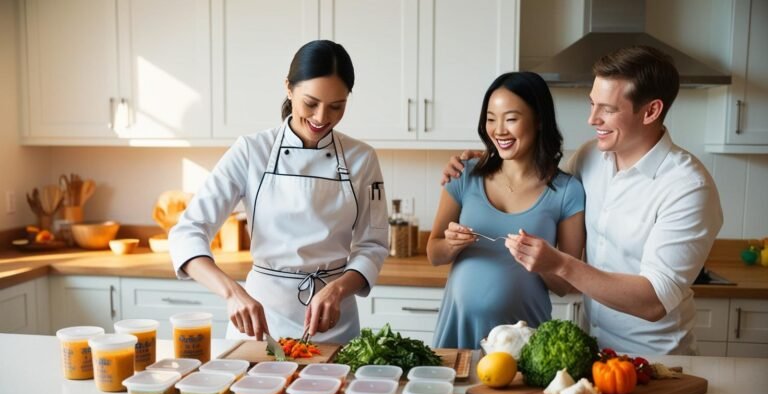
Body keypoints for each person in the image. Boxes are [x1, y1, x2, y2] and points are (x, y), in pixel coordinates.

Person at [441, 46, 723, 355]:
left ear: (651, 111)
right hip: (594, 348)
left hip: (657, 358)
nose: (592, 119)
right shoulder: (592, 157)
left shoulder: (688, 187)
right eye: (592, 104)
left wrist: (560, 264)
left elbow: (654, 301)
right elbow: (535, 176)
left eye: (608, 109)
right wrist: (487, 159)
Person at [169, 40, 389, 343]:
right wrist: (232, 293)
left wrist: (338, 289)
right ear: (289, 88)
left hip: (333, 326)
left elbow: (373, 245)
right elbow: (186, 233)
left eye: (336, 106)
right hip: (259, 325)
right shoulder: (251, 151)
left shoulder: (362, 158)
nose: (322, 118)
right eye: (310, 103)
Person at [427, 71, 586, 349]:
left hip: (525, 340)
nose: (499, 130)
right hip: (457, 332)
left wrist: (541, 261)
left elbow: (565, 285)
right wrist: (451, 245)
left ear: (538, 120)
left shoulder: (568, 192)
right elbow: (434, 253)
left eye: (511, 119)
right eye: (491, 119)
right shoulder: (464, 175)